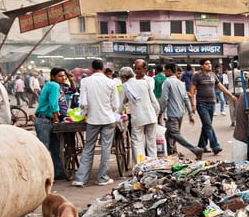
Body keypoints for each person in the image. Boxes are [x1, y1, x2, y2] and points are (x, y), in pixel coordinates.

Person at [72, 59, 119, 187]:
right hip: (108, 119)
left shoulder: (86, 82)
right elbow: (116, 105)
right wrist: (109, 110)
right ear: (103, 68)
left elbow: (83, 103)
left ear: (92, 69)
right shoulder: (111, 82)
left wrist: (84, 114)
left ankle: (80, 178)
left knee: (88, 148)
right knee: (106, 148)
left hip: (93, 120)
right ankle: (102, 178)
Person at [190, 58, 237, 154]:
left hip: (212, 103)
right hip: (201, 104)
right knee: (208, 125)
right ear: (202, 66)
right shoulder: (197, 76)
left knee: (206, 126)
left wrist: (230, 95)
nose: (209, 65)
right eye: (207, 64)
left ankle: (201, 146)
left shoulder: (213, 75)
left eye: (210, 64)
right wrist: (192, 104)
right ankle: (215, 146)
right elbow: (192, 90)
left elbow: (220, 86)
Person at [159, 62, 203, 159]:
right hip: (180, 113)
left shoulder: (167, 82)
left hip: (172, 114)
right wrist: (190, 114)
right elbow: (186, 98)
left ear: (169, 71)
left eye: (165, 70)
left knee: (175, 134)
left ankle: (195, 149)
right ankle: (170, 154)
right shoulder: (180, 83)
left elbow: (164, 100)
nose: (164, 72)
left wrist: (160, 113)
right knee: (168, 134)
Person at [35, 68, 70, 180]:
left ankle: (58, 172)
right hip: (44, 120)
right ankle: (43, 175)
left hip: (47, 119)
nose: (63, 78)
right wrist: (56, 118)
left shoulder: (52, 85)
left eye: (64, 76)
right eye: (60, 76)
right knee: (44, 149)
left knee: (55, 147)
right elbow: (53, 103)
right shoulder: (54, 86)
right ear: (53, 77)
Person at [121, 64, 160, 163]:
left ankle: (141, 167)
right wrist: (156, 115)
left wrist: (117, 116)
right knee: (151, 144)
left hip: (138, 119)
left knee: (138, 143)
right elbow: (155, 103)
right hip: (151, 117)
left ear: (124, 77)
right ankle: (153, 167)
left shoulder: (125, 86)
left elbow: (120, 105)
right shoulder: (144, 83)